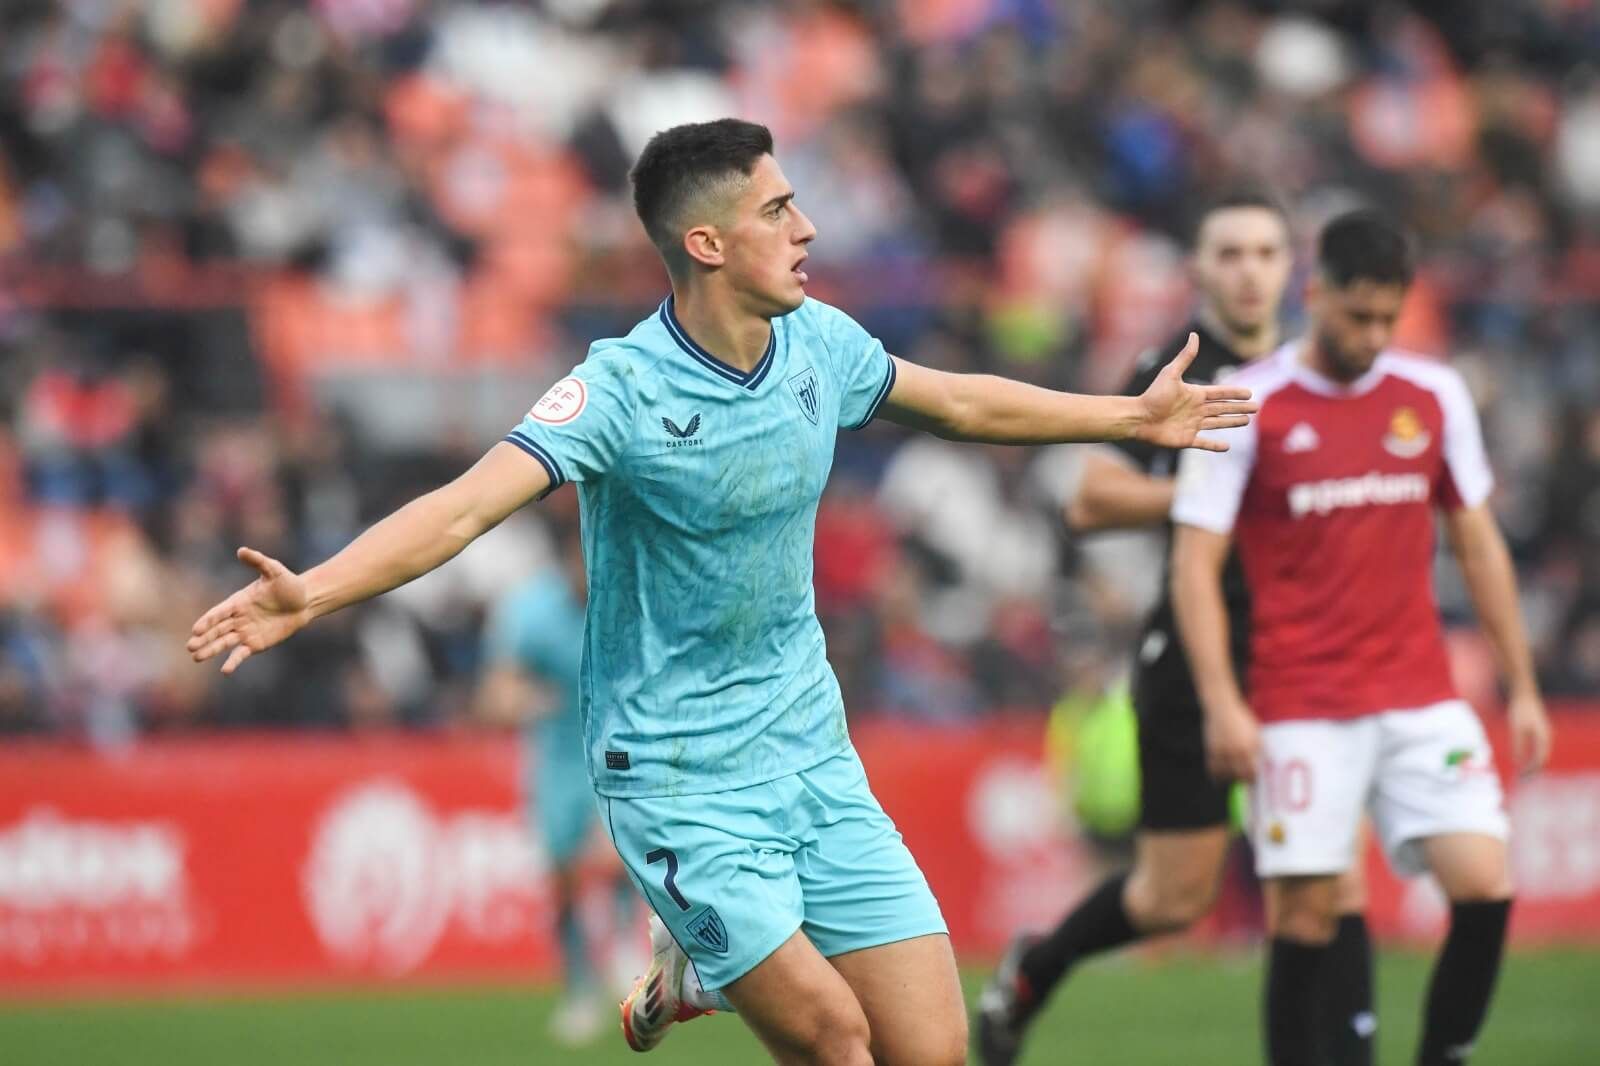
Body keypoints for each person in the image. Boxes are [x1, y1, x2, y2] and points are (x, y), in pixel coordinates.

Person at [187, 118, 1257, 1066]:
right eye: (778, 209)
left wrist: (1125, 417)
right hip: (677, 775)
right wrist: (313, 593)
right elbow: (468, 506)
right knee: (838, 1042)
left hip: (808, 749)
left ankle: (697, 972)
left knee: (929, 1049)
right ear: (705, 243)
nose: (807, 229)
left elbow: (962, 405)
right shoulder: (620, 388)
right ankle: (707, 957)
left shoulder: (820, 345)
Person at [978, 191, 1378, 1066]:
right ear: (1198, 270)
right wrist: (1213, 497)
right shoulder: (1175, 365)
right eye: (1228, 253)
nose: (1247, 271)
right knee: (1172, 897)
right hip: (1197, 653)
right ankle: (1034, 971)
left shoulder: (1325, 364)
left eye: (1265, 253)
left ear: (1292, 269)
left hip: (1307, 652)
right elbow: (1088, 499)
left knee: (1329, 881)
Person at [1169, 210, 1552, 1066]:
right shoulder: (1248, 404)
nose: (1374, 336)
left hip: (1420, 693)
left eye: (1389, 318)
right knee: (1306, 916)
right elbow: (1195, 566)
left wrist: (1522, 684)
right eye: (1358, 317)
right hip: (1301, 703)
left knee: (1487, 886)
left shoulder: (1433, 395)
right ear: (1316, 295)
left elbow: (1478, 543)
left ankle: (1441, 1053)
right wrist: (1224, 704)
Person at [476, 517, 638, 1045]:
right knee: (561, 879)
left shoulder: (630, 597)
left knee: (615, 855)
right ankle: (578, 987)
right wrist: (520, 699)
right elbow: (496, 692)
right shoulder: (531, 609)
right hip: (557, 756)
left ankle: (621, 947)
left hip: (621, 750)